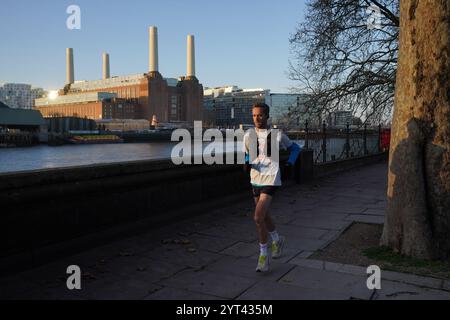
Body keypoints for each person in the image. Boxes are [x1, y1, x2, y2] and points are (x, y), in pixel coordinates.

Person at [243, 103, 301, 272]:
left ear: (267, 116)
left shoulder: (277, 135)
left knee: (257, 217)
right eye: (254, 115)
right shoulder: (248, 135)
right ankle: (277, 240)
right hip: (255, 179)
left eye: (260, 115)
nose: (256, 118)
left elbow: (295, 148)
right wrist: (247, 163)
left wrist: (290, 163)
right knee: (264, 216)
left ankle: (263, 256)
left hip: (271, 178)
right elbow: (248, 153)